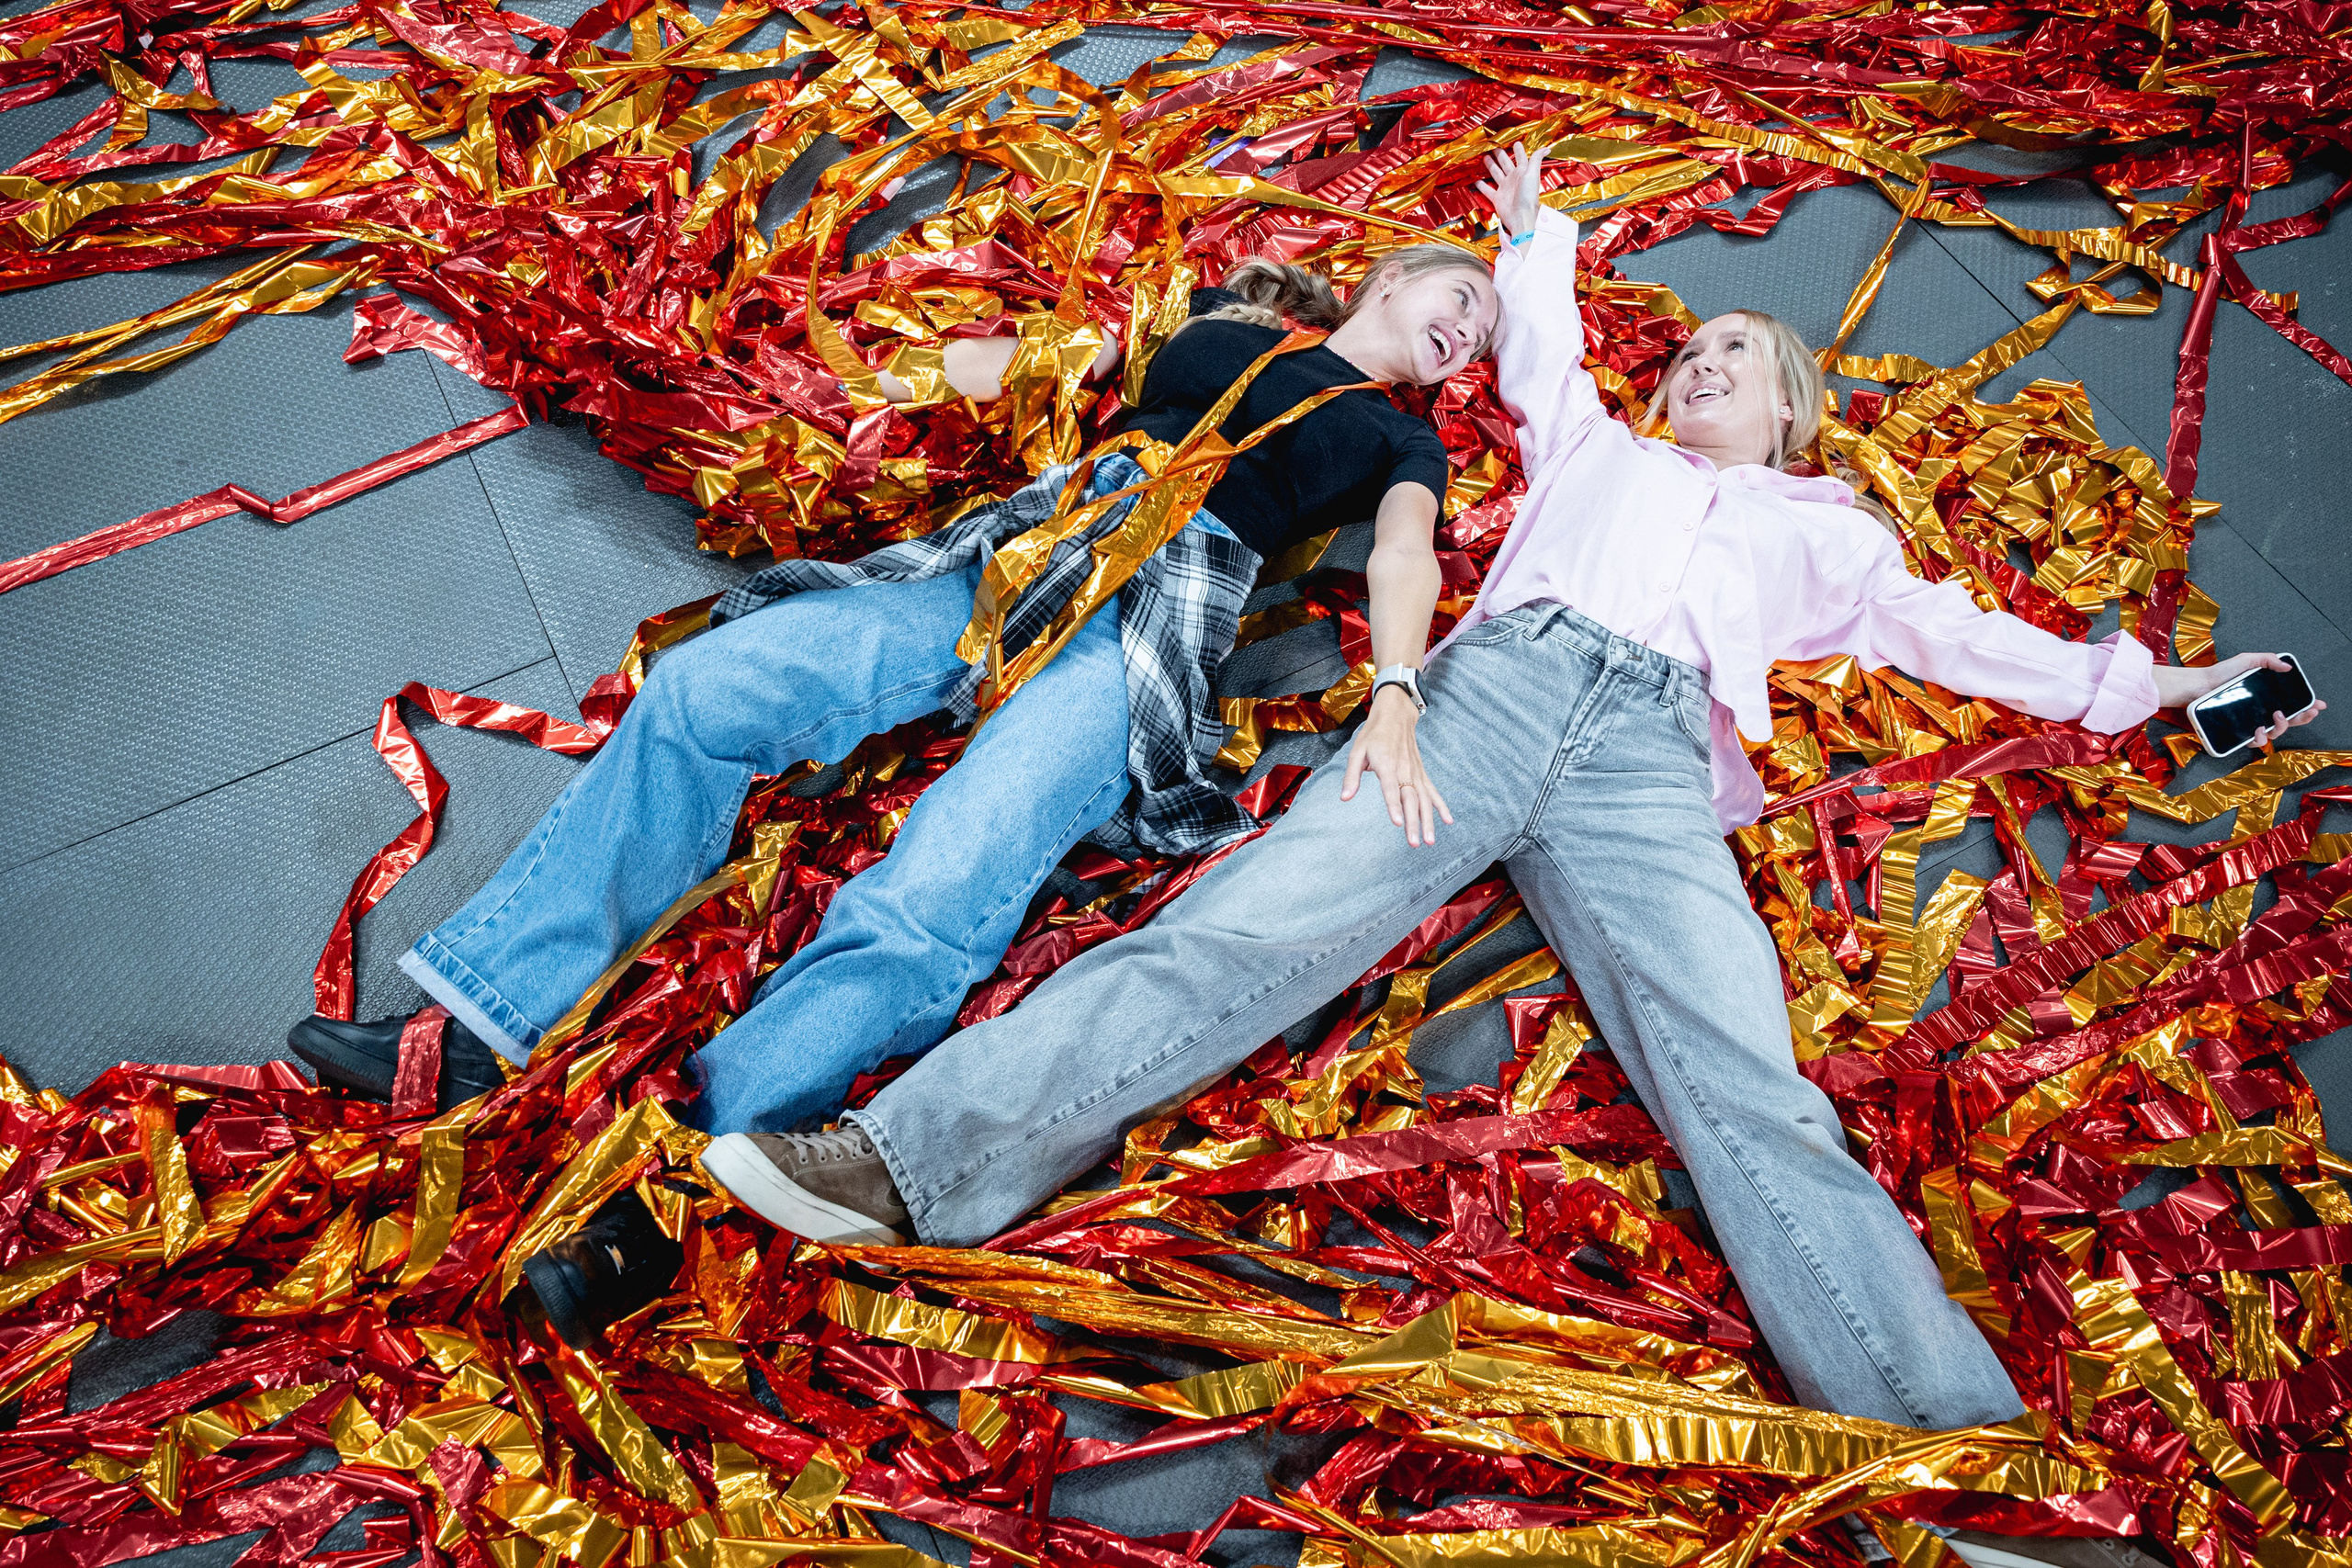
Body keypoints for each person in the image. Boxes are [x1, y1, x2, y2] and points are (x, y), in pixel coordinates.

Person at [674, 148, 2322, 1568]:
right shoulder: (1595, 453)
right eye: (1686, 349)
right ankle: (909, 1166)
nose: (1700, 364)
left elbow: (1967, 640)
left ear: (1794, 408)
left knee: (1751, 1088)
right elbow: (1540, 363)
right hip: (1493, 694)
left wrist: (2157, 687)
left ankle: (1956, 1464)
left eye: (1733, 353)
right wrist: (1535, 242)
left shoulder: (1831, 540)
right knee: (1241, 931)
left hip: (1652, 769)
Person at [284, 238, 1501, 1337]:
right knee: (706, 695)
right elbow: (1038, 357)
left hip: (1139, 631)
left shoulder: (1405, 440)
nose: (1470, 330)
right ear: (1389, 276)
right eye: (1464, 296)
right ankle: (486, 1024)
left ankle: (666, 1205)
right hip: (1027, 544)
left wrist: (1397, 687)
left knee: (943, 891)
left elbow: (1402, 551)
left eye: (1487, 335)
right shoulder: (1217, 325)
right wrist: (866, 385)